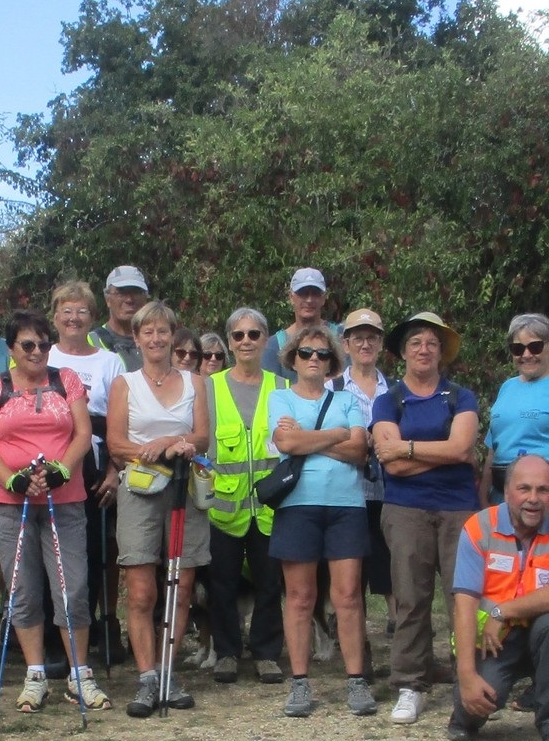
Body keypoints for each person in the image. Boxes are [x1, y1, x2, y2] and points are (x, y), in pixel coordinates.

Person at [0, 310, 107, 711]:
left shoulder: (66, 380)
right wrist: (11, 479)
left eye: (44, 344)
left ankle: (80, 674)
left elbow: (83, 432)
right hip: (9, 502)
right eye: (28, 345)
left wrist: (62, 469)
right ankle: (35, 675)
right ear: (11, 349)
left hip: (62, 498)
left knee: (73, 586)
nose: (37, 352)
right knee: (23, 588)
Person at [370, 312, 480, 725]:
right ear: (402, 352)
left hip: (459, 508)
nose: (424, 349)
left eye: (432, 343)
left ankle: (468, 678)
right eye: (415, 342)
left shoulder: (460, 397)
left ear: (441, 352)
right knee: (410, 597)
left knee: (463, 597)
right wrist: (445, 452)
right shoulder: (388, 400)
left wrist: (408, 448)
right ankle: (409, 684)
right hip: (406, 509)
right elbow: (392, 464)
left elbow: (462, 447)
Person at [106, 300, 211, 717]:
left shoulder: (194, 382)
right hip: (140, 490)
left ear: (173, 335)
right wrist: (155, 450)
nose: (156, 338)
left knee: (180, 587)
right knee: (141, 590)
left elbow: (202, 437)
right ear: (136, 338)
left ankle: (168, 672)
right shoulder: (125, 384)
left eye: (162, 331)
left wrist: (169, 443)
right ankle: (147, 677)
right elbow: (116, 444)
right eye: (147, 331)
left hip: (185, 489)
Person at [445, 455, 549, 741]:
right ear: (507, 491)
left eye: (543, 490)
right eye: (524, 489)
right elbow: (465, 605)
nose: (533, 499)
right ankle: (463, 715)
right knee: (476, 704)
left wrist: (504, 610)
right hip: (493, 641)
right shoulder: (478, 527)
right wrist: (467, 675)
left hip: (542, 632)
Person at [268, 326, 375, 717]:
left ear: (332, 362)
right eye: (306, 352)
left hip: (347, 506)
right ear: (292, 359)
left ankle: (356, 679)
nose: (314, 359)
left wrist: (310, 438)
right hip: (298, 505)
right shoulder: (280, 397)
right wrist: (336, 435)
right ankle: (299, 682)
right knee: (300, 598)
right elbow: (286, 443)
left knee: (348, 596)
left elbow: (360, 449)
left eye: (322, 354)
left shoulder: (346, 399)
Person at [203, 307, 287, 685]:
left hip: (270, 505)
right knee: (222, 583)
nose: (246, 341)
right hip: (224, 505)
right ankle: (226, 653)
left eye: (254, 334)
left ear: (265, 340)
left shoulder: (282, 387)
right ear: (230, 342)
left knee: (270, 582)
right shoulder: (210, 387)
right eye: (238, 335)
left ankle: (267, 654)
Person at [49, 281, 126, 665]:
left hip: (97, 465)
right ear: (54, 317)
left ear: (93, 317)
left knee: (94, 552)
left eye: (81, 311)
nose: (74, 318)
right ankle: (53, 636)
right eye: (66, 311)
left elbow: (121, 421)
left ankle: (93, 628)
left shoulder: (110, 362)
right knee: (54, 551)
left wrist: (114, 470)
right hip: (51, 462)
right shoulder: (42, 355)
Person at [328, 309, 392, 653]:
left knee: (392, 568)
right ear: (346, 344)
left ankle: (402, 639)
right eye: (358, 338)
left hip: (390, 493)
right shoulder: (331, 389)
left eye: (371, 338)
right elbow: (320, 438)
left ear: (380, 343)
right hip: (347, 493)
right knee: (352, 575)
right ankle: (357, 645)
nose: (365, 344)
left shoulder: (395, 390)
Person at [483, 314, 549, 512]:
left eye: (535, 347)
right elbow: (492, 450)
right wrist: (483, 498)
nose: (526, 354)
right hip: (501, 496)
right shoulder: (507, 387)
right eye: (518, 349)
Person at [261, 268, 340, 380]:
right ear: (291, 297)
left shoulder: (341, 337)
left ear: (323, 298)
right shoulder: (274, 346)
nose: (309, 300)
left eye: (315, 294)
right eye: (303, 293)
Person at [94, 265, 150, 371]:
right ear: (107, 299)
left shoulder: (158, 342)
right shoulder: (91, 341)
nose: (129, 299)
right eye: (121, 292)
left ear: (145, 298)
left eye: (136, 292)